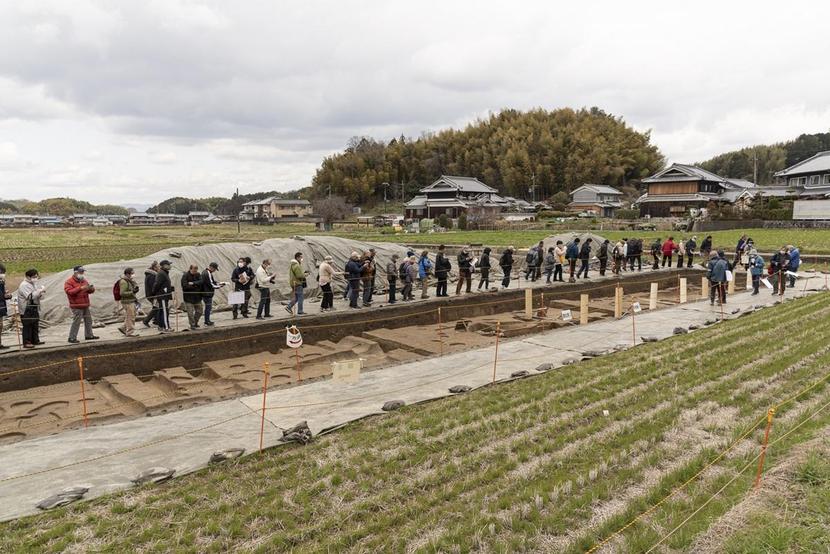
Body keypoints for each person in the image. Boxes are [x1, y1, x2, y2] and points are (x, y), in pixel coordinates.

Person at [64, 265, 99, 344]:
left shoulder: (84, 280)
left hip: (85, 304)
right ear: (75, 272)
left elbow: (89, 291)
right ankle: (72, 338)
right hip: (76, 305)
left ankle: (89, 335)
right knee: (76, 322)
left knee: (88, 320)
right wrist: (80, 288)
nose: (82, 273)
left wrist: (91, 289)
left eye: (83, 272)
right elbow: (69, 292)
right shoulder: (69, 282)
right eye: (81, 272)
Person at [18, 268, 45, 348]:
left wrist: (41, 292)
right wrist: (40, 291)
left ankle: (35, 340)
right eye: (33, 276)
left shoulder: (33, 284)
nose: (35, 278)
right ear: (28, 277)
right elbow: (30, 296)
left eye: (36, 276)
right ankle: (27, 342)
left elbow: (37, 295)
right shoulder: (24, 285)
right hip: (26, 308)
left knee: (35, 324)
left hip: (34, 307)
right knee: (27, 325)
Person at [117, 267, 140, 337]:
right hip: (127, 302)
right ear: (127, 274)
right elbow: (122, 293)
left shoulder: (130, 280)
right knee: (131, 317)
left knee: (129, 316)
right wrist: (132, 292)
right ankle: (130, 332)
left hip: (131, 300)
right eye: (132, 273)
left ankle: (123, 328)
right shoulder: (124, 282)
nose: (133, 275)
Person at [152, 260, 174, 333]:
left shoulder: (164, 273)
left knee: (161, 311)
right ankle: (166, 327)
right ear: (164, 265)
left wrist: (170, 288)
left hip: (164, 295)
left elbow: (163, 284)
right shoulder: (161, 273)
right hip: (163, 296)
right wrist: (155, 293)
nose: (170, 266)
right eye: (168, 264)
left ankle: (161, 326)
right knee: (165, 312)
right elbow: (157, 284)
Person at [200, 262, 224, 326]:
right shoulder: (208, 273)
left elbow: (211, 282)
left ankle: (207, 320)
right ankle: (207, 321)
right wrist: (219, 286)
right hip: (207, 294)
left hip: (205, 293)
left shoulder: (204, 272)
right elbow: (211, 284)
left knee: (208, 308)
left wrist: (218, 283)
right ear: (211, 267)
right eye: (215, 269)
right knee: (208, 308)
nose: (215, 270)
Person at [181, 264, 204, 329]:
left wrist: (193, 283)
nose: (195, 271)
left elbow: (201, 282)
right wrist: (196, 286)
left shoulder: (198, 274)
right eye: (194, 270)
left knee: (200, 311)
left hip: (197, 297)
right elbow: (185, 286)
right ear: (190, 269)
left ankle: (195, 322)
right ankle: (192, 325)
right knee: (190, 313)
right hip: (188, 298)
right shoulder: (185, 276)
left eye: (196, 270)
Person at [142, 261, 160, 327]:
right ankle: (146, 320)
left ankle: (156, 320)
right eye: (158, 267)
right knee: (156, 307)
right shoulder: (152, 276)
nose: (159, 268)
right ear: (155, 268)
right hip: (153, 295)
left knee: (156, 307)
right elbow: (153, 287)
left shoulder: (150, 275)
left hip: (150, 295)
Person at [0, 264, 10, 350]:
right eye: (1, 272)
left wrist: (4, 294)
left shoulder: (1, 282)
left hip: (1, 307)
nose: (3, 274)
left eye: (3, 272)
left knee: (1, 325)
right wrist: (5, 296)